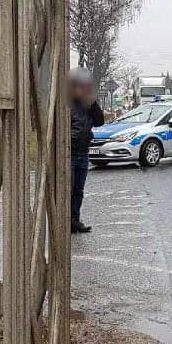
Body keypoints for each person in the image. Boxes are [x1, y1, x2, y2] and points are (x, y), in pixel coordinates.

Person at [70, 68, 104, 234]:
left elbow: (99, 122)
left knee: (78, 191)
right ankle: (64, 221)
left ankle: (75, 220)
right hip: (68, 154)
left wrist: (93, 103)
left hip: (83, 154)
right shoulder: (66, 105)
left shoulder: (87, 105)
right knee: (67, 189)